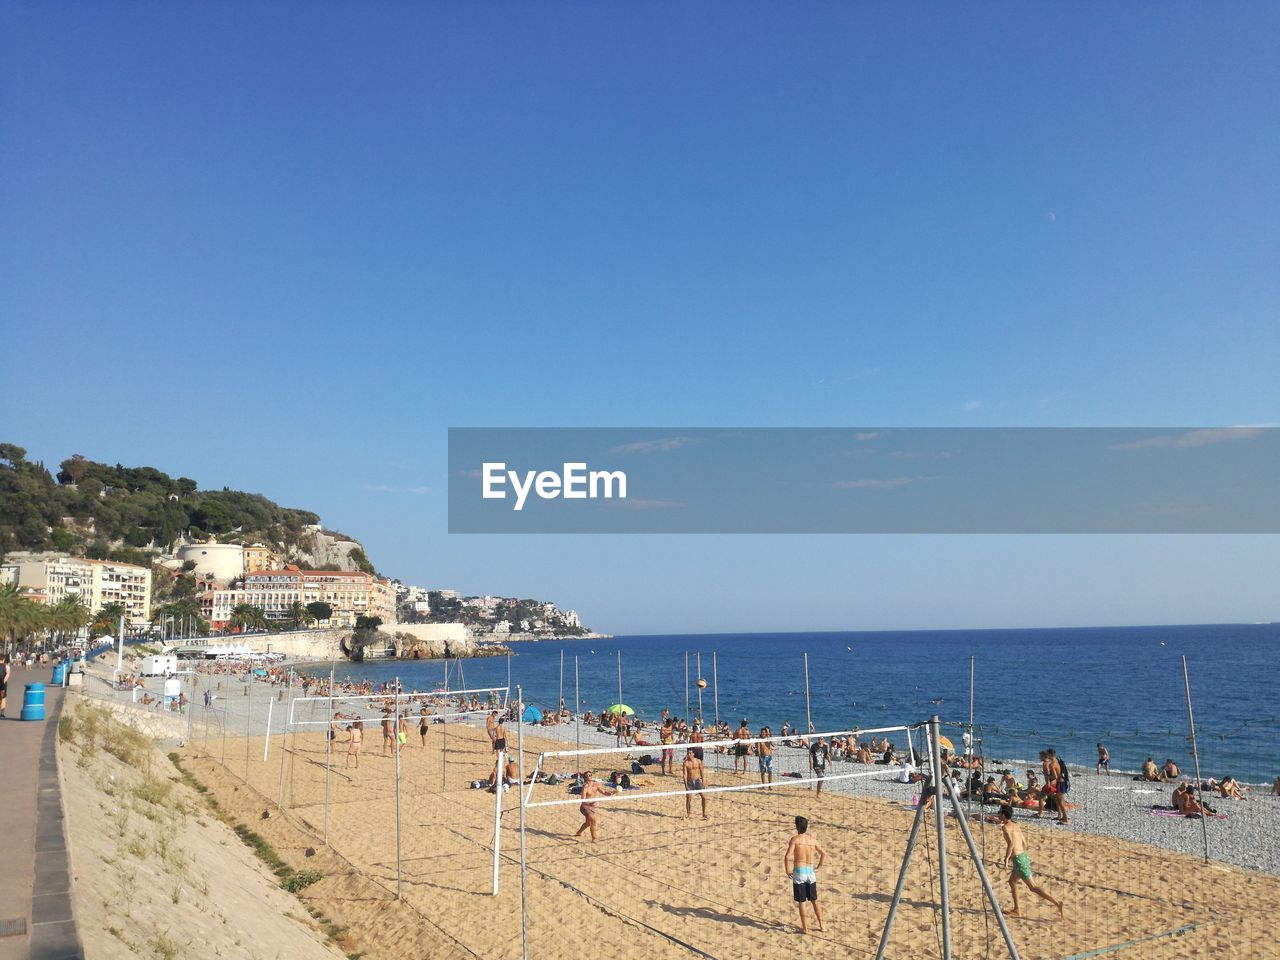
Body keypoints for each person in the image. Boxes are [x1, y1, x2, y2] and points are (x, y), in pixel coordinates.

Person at [999, 806, 1064, 919]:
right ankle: (1016, 909)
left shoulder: (1005, 827)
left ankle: (1057, 903)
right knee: (1012, 882)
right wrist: (1015, 855)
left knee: (1033, 887)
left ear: (1004, 815)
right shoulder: (1016, 825)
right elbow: (1024, 843)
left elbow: (1011, 844)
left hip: (1019, 860)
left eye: (999, 813)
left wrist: (1006, 858)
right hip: (1023, 857)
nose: (998, 814)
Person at [783, 816, 827, 934]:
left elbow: (787, 856)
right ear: (806, 827)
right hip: (810, 873)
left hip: (799, 873)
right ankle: (822, 926)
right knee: (814, 900)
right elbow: (824, 854)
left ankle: (806, 929)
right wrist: (819, 867)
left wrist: (787, 870)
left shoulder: (795, 839)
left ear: (796, 827)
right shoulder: (812, 840)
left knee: (802, 902)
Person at [574, 771, 614, 842]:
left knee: (588, 823)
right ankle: (594, 838)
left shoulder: (596, 785)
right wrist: (591, 802)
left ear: (592, 776)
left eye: (590, 775)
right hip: (585, 807)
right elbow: (583, 799)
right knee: (593, 820)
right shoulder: (585, 787)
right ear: (584, 778)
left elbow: (604, 792)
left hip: (592, 807)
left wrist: (611, 793)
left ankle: (578, 832)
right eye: (586, 776)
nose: (588, 777)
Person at [683, 749, 708, 819]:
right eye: (688, 753)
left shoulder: (698, 761)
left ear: (693, 754)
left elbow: (702, 772)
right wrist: (686, 785)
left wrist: (703, 782)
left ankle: (704, 813)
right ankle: (688, 814)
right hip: (689, 781)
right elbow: (684, 775)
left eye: (690, 753)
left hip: (697, 781)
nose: (689, 755)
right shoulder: (686, 763)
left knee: (704, 797)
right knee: (688, 798)